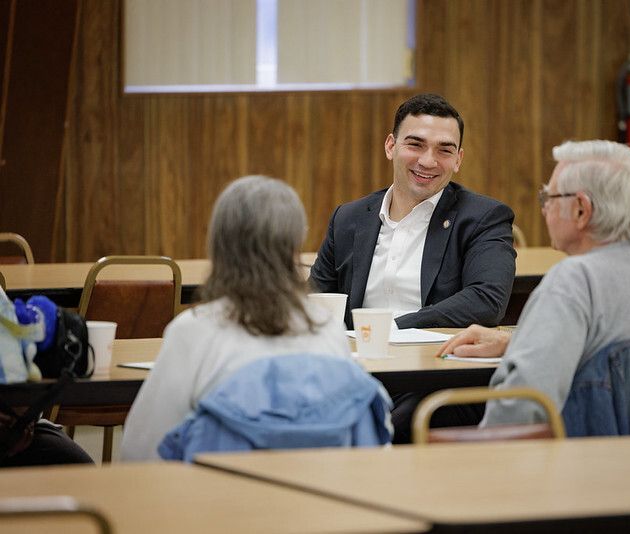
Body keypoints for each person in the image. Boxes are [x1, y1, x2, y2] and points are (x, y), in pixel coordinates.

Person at [437, 140, 630, 425]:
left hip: (571, 459)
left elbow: (521, 409)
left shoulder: (573, 281)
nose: (544, 210)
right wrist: (518, 342)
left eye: (549, 199)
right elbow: (611, 361)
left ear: (581, 210)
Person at [121, 176, 353, 461]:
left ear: (218, 244)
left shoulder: (193, 331)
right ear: (294, 246)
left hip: (220, 498)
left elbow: (142, 451)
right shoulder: (327, 328)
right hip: (319, 496)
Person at [310, 93, 516, 329]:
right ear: (390, 146)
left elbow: (487, 300)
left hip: (434, 362)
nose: (428, 161)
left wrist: (392, 327)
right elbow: (314, 298)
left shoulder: (483, 218)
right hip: (357, 359)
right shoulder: (348, 219)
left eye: (444, 150)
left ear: (458, 160)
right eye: (415, 145)